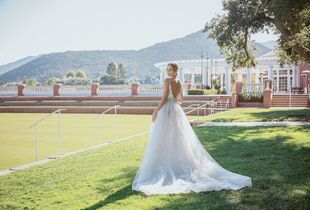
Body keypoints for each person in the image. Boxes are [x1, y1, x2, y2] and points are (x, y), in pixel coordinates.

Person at [132, 62, 252, 196]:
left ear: (175, 70)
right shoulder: (179, 82)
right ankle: (177, 167)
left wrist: (155, 110)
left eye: (170, 70)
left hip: (167, 111)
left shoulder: (167, 81)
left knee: (164, 138)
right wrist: (174, 101)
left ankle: (166, 169)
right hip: (177, 110)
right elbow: (181, 99)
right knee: (177, 139)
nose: (168, 72)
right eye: (167, 70)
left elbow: (165, 98)